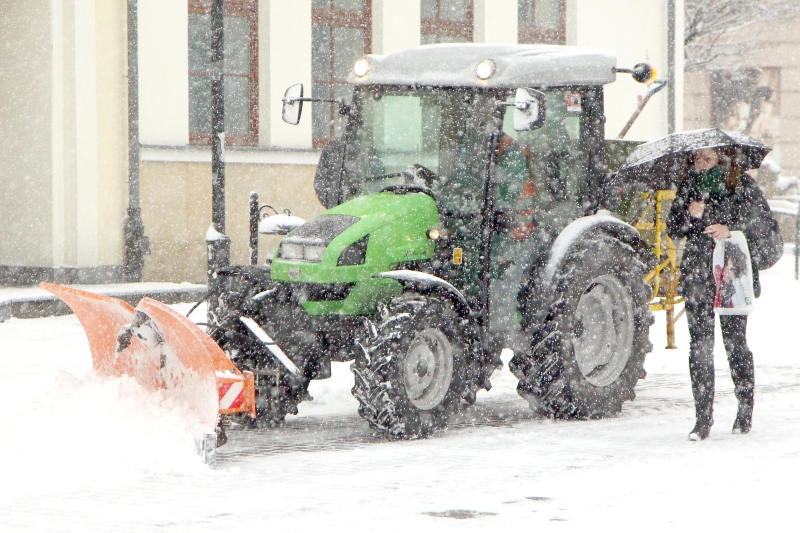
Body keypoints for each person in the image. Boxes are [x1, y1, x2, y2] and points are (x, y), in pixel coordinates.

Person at [667, 146, 773, 441]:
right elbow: (673, 228)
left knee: (735, 343)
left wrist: (731, 229)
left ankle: (744, 408)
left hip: (731, 274)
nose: (699, 163)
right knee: (699, 346)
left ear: (722, 160)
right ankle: (703, 419)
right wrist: (688, 213)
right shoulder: (689, 186)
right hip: (698, 275)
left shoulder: (741, 185)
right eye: (697, 158)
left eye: (707, 158)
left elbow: (763, 226)